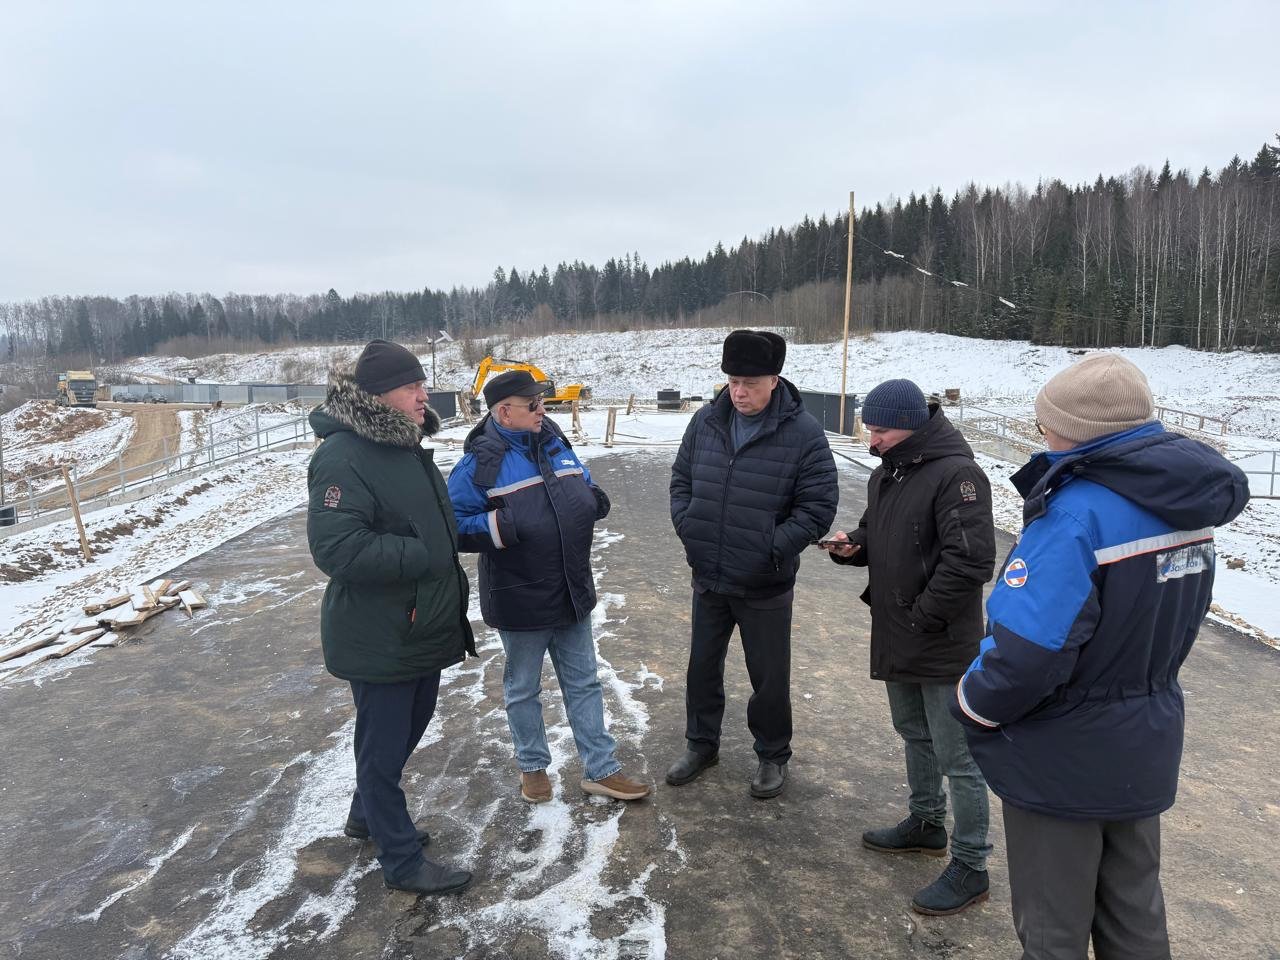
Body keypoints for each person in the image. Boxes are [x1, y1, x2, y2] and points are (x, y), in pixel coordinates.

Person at [951, 354, 1249, 959]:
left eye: (1045, 422)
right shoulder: (1185, 505)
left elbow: (1027, 656)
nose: (1041, 433)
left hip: (1065, 752)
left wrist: (973, 705)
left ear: (1075, 430)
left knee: (1054, 925)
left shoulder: (1076, 514)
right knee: (1134, 913)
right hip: (1145, 736)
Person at [307, 339, 476, 896]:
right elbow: (339, 551)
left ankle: (365, 818)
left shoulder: (403, 445)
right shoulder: (343, 454)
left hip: (418, 622)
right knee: (381, 750)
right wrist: (423, 552)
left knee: (409, 726)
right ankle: (400, 861)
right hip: (380, 631)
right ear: (380, 397)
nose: (423, 397)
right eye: (412, 388)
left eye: (422, 385)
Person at [823, 378, 997, 915]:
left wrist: (922, 615)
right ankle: (926, 823)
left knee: (958, 756)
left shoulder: (958, 474)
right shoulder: (890, 472)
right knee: (913, 733)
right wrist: (853, 546)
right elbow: (878, 532)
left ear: (913, 424)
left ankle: (972, 865)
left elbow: (970, 561)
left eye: (879, 430)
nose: (870, 439)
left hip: (941, 638)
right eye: (868, 428)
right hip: (898, 631)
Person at [447, 369, 650, 804]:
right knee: (523, 688)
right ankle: (533, 768)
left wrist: (591, 499)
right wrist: (502, 525)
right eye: (533, 404)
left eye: (543, 402)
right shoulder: (480, 464)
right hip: (519, 595)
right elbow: (454, 526)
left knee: (584, 682)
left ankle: (601, 768)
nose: (543, 410)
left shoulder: (555, 443)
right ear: (505, 411)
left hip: (571, 588)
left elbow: (582, 480)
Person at [667, 329, 838, 799]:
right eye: (733, 381)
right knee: (701, 666)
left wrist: (772, 547)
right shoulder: (706, 421)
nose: (739, 392)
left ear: (775, 380)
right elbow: (681, 480)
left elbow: (818, 507)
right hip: (710, 575)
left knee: (768, 677)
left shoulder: (803, 433)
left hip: (765, 582)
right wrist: (690, 528)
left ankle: (772, 754)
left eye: (750, 383)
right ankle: (702, 745)